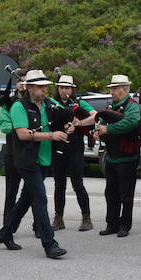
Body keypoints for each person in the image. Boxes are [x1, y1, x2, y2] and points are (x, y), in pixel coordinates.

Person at [0, 70, 68, 259]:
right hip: (27, 160)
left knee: (26, 199)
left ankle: (5, 233)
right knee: (40, 199)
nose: (44, 90)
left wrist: (68, 124)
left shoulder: (49, 104)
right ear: (29, 88)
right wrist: (52, 135)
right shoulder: (18, 107)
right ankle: (49, 244)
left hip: (44, 159)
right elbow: (23, 134)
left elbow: (65, 117)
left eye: (45, 86)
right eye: (40, 87)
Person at [94, 74, 141, 238]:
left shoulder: (132, 106)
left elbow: (132, 122)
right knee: (111, 193)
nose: (112, 92)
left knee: (126, 195)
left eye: (114, 88)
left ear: (124, 89)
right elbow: (103, 122)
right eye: (112, 89)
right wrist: (98, 131)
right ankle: (112, 224)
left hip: (127, 158)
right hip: (112, 156)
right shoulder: (111, 105)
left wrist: (109, 130)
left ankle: (124, 225)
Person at [48, 75, 96, 232]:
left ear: (72, 89)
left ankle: (86, 217)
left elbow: (96, 116)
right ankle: (59, 218)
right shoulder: (51, 103)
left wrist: (79, 123)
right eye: (61, 87)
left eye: (67, 87)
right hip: (58, 148)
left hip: (75, 148)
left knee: (77, 184)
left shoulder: (79, 104)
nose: (63, 90)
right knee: (59, 185)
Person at [0, 74, 26, 227]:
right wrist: (21, 128)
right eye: (20, 81)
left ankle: (39, 227)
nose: (23, 84)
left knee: (34, 193)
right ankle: (7, 227)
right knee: (11, 193)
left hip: (31, 154)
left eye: (26, 81)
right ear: (16, 83)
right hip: (13, 153)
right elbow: (3, 125)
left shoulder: (36, 102)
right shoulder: (8, 102)